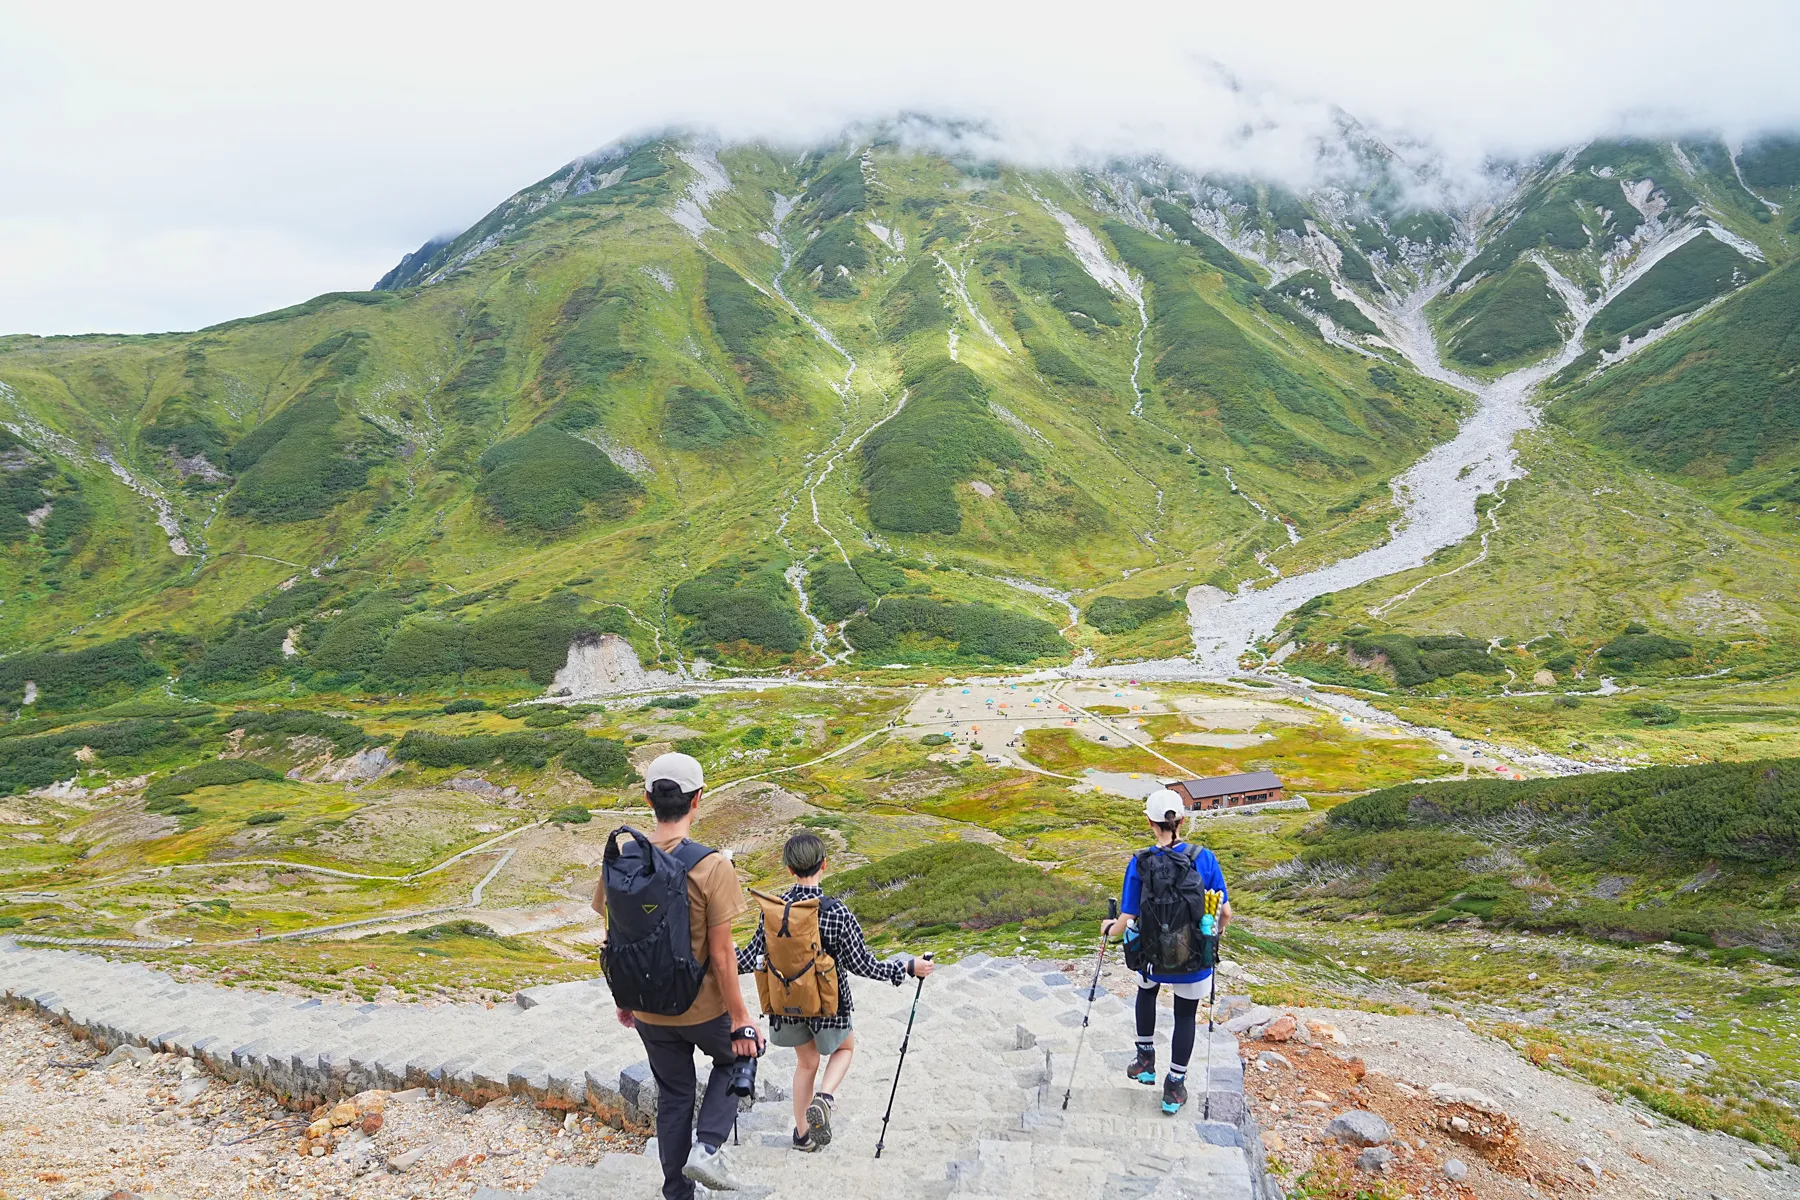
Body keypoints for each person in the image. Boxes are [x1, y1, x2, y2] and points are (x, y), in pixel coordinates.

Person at [600, 752, 761, 1198]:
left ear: (648, 799)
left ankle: (677, 1194)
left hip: (649, 1009)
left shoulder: (623, 859)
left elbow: (615, 939)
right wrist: (743, 1018)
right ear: (697, 800)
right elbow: (723, 955)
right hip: (703, 1008)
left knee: (674, 1096)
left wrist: (624, 1000)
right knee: (737, 1059)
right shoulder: (712, 865)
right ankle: (708, 1149)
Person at [736, 831, 935, 1152]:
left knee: (806, 1064)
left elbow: (749, 958)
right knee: (844, 1050)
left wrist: (719, 957)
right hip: (829, 1004)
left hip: (785, 1003)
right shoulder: (836, 912)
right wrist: (908, 968)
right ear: (824, 864)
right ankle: (825, 1097)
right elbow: (863, 965)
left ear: (789, 869)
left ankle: (802, 1135)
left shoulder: (773, 911)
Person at [1101, 788, 1231, 1116]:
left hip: (1151, 955)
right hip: (1193, 956)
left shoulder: (1140, 861)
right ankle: (1174, 1087)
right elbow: (1225, 912)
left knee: (1146, 994)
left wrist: (1108, 929)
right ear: (1182, 820)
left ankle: (1145, 1061)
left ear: (1150, 822)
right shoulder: (1205, 857)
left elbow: (1127, 918)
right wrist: (1213, 937)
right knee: (1184, 1015)